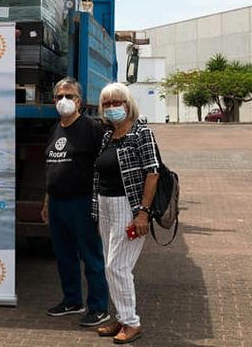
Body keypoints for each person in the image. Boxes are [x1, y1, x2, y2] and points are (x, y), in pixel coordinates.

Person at [92, 82, 160, 344]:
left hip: (127, 207)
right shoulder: (109, 135)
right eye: (107, 103)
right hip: (106, 205)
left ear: (128, 103)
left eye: (116, 102)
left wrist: (142, 213)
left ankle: (132, 323)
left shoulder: (141, 132)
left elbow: (152, 173)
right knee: (113, 268)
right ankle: (122, 317)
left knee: (117, 266)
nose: (112, 107)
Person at [42, 78, 110, 327]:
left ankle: (99, 308)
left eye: (69, 96)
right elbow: (50, 167)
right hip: (58, 204)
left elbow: (104, 166)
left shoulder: (91, 129)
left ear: (79, 101)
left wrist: (101, 202)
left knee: (91, 256)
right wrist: (46, 202)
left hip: (82, 202)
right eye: (59, 96)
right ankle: (72, 301)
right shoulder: (54, 129)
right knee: (64, 256)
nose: (64, 101)